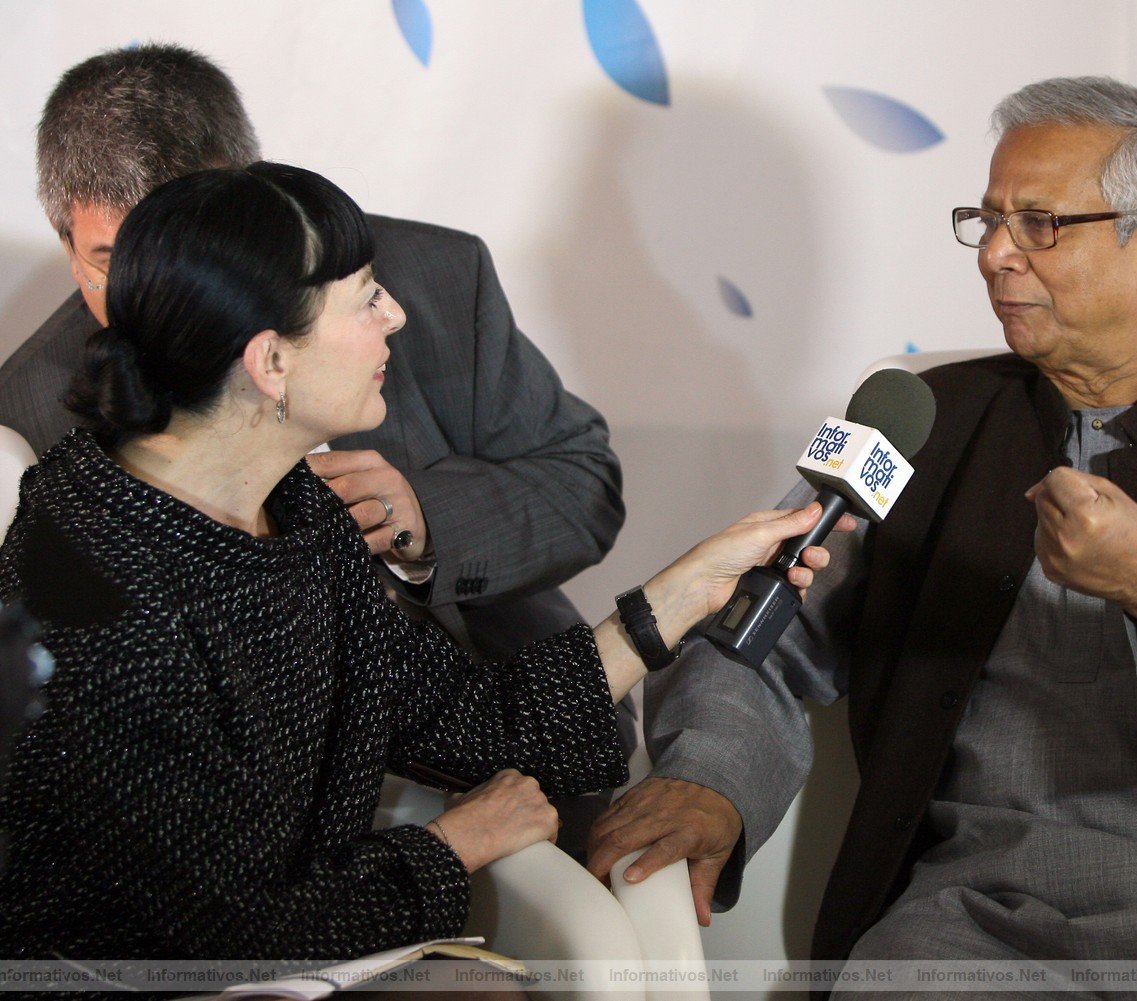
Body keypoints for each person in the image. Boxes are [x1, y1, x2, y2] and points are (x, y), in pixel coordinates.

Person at [586, 76, 1137, 993]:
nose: (995, 255)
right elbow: (758, 626)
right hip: (978, 920)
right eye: (986, 221)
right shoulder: (911, 418)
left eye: (1040, 224)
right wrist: (711, 775)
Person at [0, 162, 850, 961]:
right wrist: (454, 844)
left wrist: (686, 590)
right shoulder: (91, 586)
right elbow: (232, 932)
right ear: (271, 362)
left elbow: (473, 720)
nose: (396, 317)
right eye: (367, 299)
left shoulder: (294, 516)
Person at [0, 43, 623, 661]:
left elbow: (581, 479)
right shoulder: (26, 426)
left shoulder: (437, 276)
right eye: (115, 261)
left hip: (498, 684)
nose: (160, 294)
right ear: (65, 243)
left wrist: (427, 521)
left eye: (209, 254)